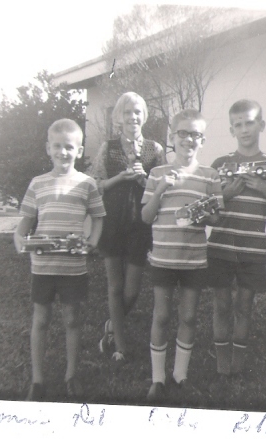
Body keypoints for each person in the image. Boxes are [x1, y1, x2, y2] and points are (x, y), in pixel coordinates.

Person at [14, 118, 106, 402]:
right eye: (58, 146)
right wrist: (19, 240)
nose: (63, 152)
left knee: (72, 320)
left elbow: (99, 217)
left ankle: (71, 374)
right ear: (48, 148)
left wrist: (93, 242)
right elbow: (24, 223)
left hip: (73, 267)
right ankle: (38, 380)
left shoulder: (87, 184)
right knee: (40, 320)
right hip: (43, 267)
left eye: (69, 147)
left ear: (79, 150)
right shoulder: (37, 184)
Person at [141, 109, 223, 402]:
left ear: (203, 140)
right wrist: (162, 188)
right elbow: (146, 216)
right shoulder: (156, 173)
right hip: (163, 258)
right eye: (183, 133)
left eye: (196, 135)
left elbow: (216, 218)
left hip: (193, 260)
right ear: (172, 138)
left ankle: (180, 375)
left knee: (188, 316)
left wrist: (203, 212)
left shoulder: (209, 175)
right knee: (161, 316)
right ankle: (158, 378)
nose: (189, 139)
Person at [207, 99, 266, 388]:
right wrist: (226, 194)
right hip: (221, 247)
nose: (244, 129)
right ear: (232, 129)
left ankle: (237, 367)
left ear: (261, 125)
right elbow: (209, 208)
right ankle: (221, 365)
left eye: (250, 122)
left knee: (244, 306)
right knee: (220, 305)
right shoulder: (220, 165)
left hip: (253, 250)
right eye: (238, 124)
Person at [90, 92, 166, 364]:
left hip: (139, 223)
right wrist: (120, 178)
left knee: (131, 290)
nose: (132, 117)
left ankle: (111, 327)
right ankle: (120, 346)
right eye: (126, 112)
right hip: (112, 220)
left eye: (137, 112)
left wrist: (145, 179)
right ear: (118, 118)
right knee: (114, 286)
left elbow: (160, 189)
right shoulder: (107, 147)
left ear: (143, 116)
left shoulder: (154, 149)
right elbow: (95, 185)